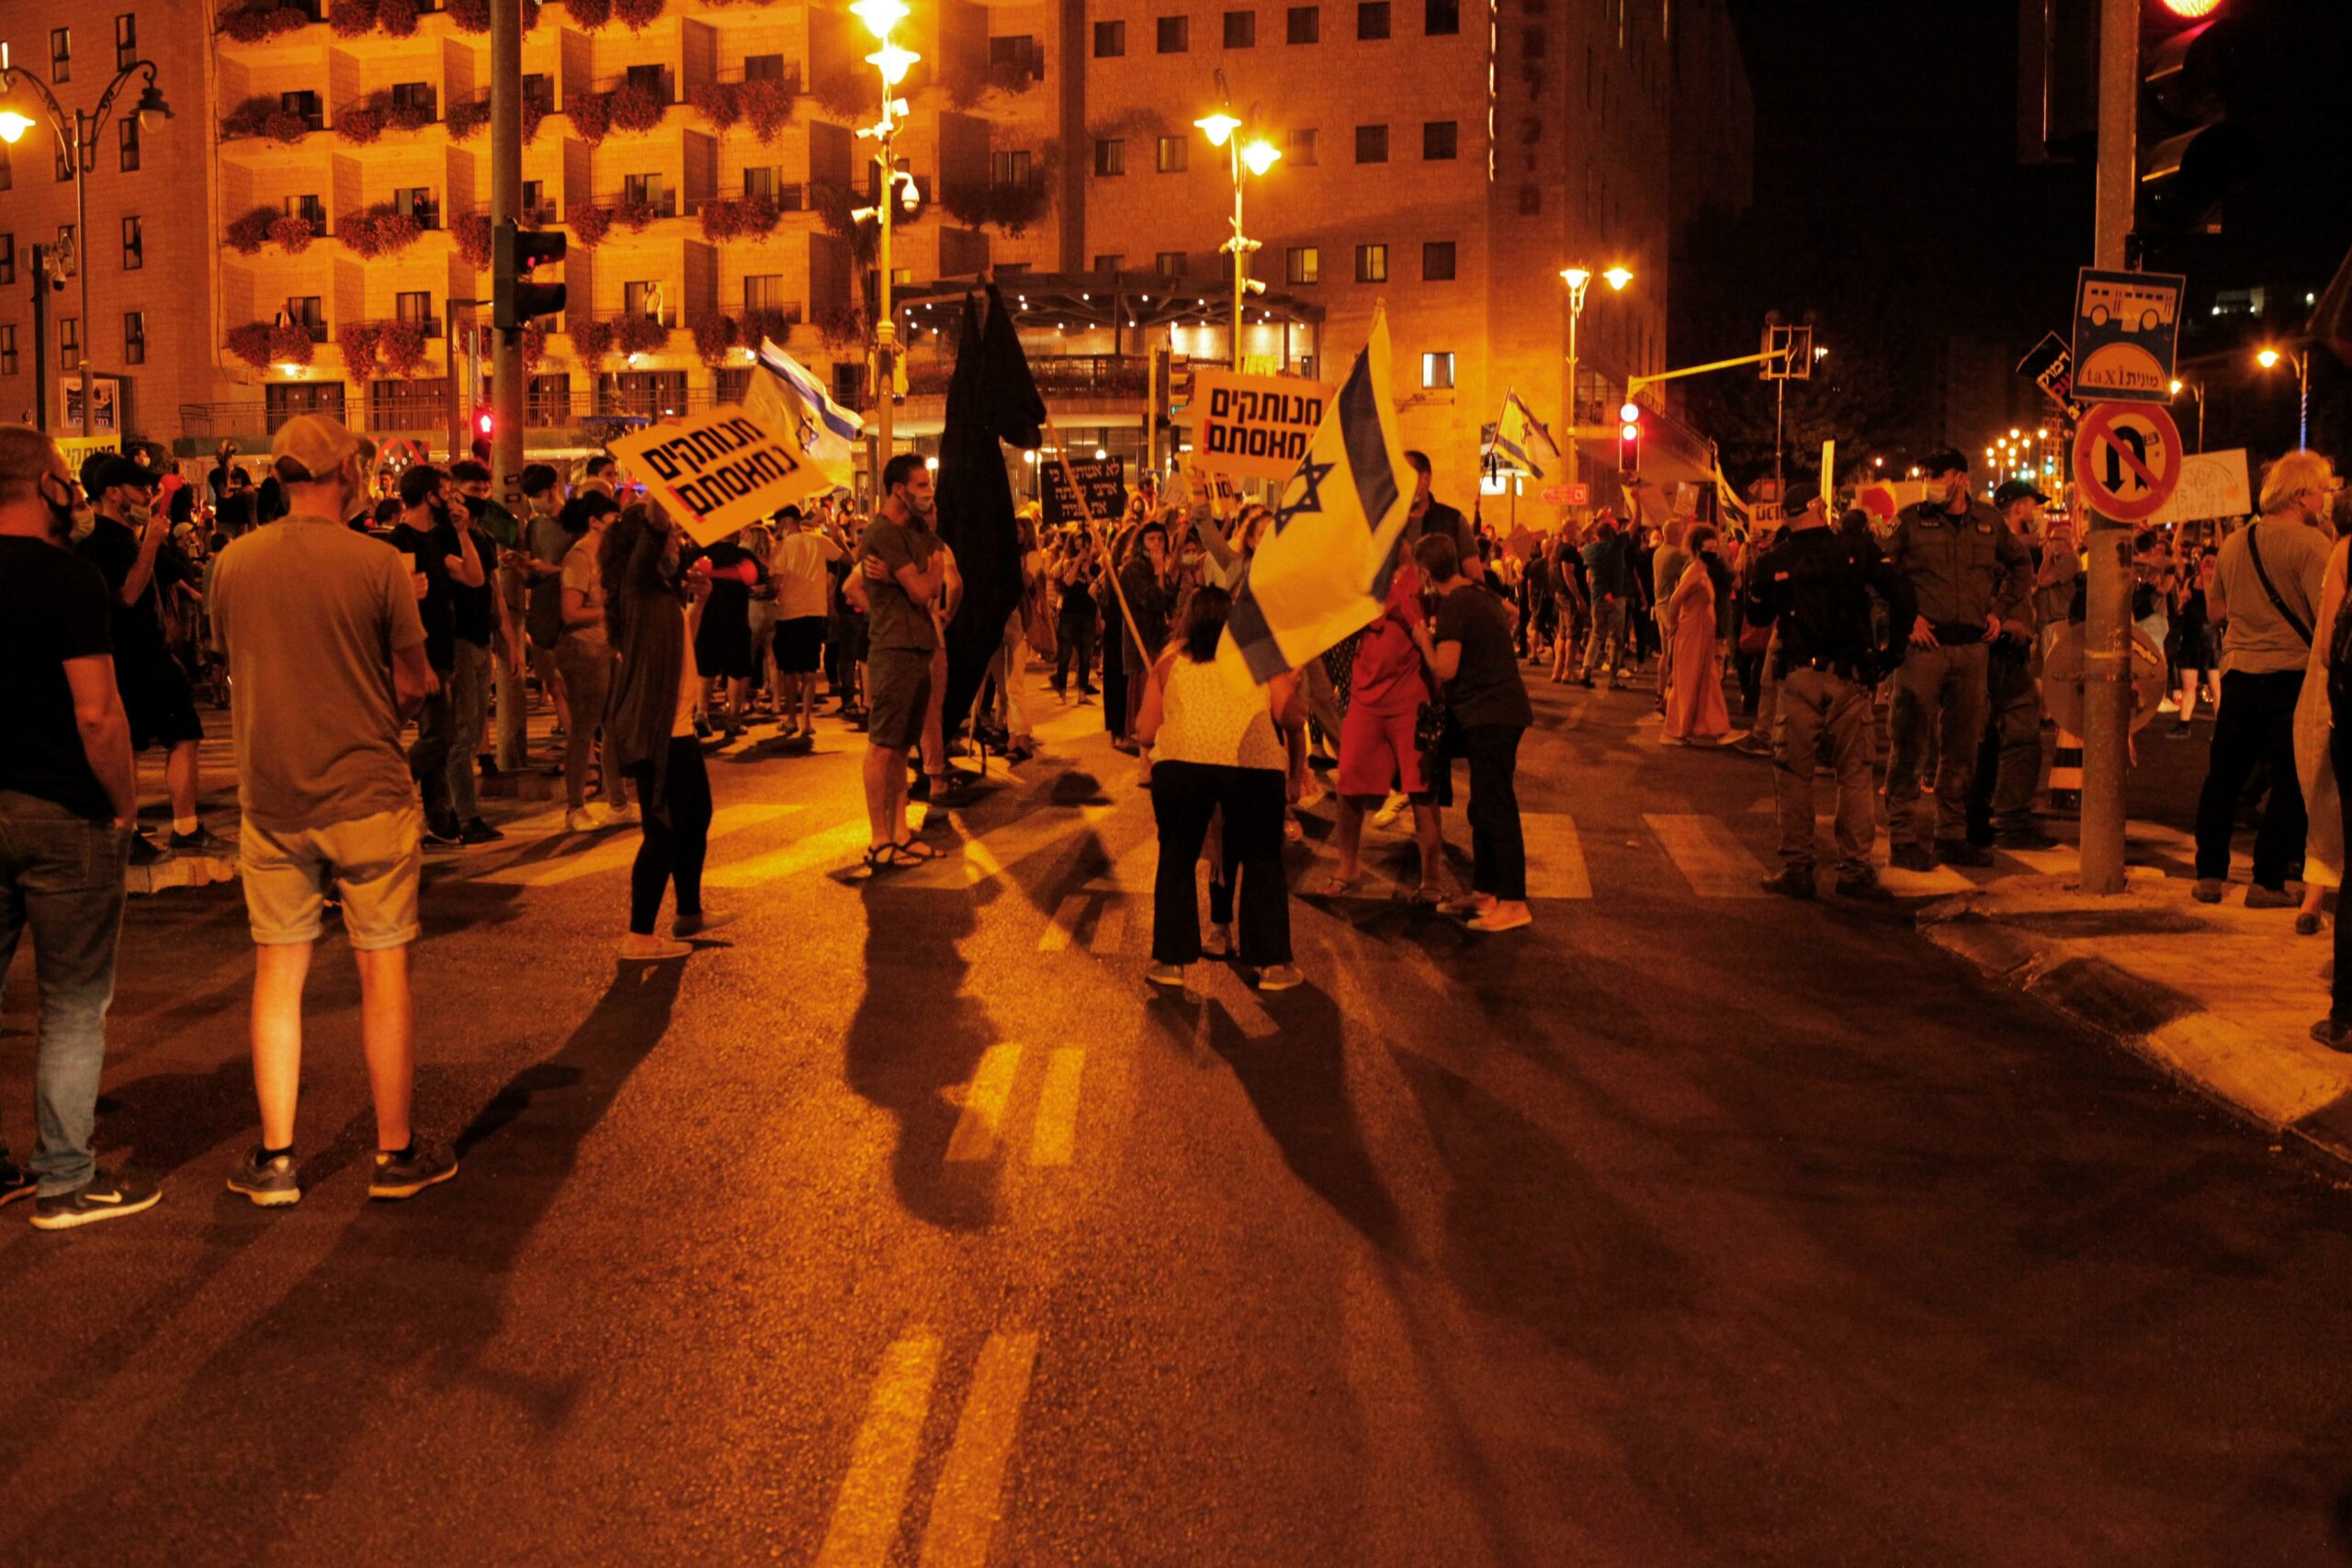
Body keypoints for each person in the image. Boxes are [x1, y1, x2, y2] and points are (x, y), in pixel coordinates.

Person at [209, 414, 457, 1205]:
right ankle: (395, 1153)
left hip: (272, 795)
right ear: (346, 475)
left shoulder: (231, 564)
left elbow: (231, 659)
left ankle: (277, 1159)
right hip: (366, 790)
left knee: (278, 972)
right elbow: (415, 681)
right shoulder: (377, 562)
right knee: (383, 968)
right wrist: (390, 703)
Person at [0, 428, 161, 1228]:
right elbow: (98, 712)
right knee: (70, 1004)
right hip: (63, 808)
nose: (73, 492)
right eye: (65, 478)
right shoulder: (68, 579)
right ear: (43, 486)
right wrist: (124, 803)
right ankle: (64, 1177)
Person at [1746, 481, 1917, 898]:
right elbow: (1902, 594)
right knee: (1855, 774)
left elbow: (1757, 614)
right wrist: (1892, 651)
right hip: (1850, 676)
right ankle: (1854, 870)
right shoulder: (1854, 549)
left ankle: (1798, 868)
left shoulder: (1775, 559)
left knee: (1793, 775)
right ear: (1821, 509)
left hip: (1799, 676)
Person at [1134, 587, 1303, 991]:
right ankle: (1272, 964)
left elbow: (1145, 731)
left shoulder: (1170, 661)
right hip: (1253, 764)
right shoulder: (1259, 655)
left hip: (1182, 762)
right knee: (1263, 860)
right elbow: (1291, 716)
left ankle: (1170, 961)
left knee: (1176, 859)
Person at [2193, 449, 2336, 908]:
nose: (2326, 499)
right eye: (2322, 490)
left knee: (2224, 777)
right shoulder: (2312, 545)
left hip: (2239, 674)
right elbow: (2326, 618)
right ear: (2301, 496)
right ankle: (2267, 880)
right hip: (2290, 678)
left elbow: (2216, 611)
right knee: (2292, 781)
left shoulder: (2236, 542)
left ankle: (2209, 874)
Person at [1882, 447, 2033, 872]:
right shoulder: (1909, 521)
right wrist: (1905, 619)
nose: (1931, 482)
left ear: (1962, 479)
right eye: (1927, 474)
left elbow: (2021, 565)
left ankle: (1950, 835)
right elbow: (1879, 571)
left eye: (1939, 475)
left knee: (1962, 748)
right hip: (1923, 650)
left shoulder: (1989, 522)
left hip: (1971, 649)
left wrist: (1999, 612)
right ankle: (1902, 837)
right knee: (1909, 741)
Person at [74, 454, 221, 863]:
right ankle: (130, 833)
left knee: (183, 735)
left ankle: (184, 827)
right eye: (139, 489)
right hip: (128, 655)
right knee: (131, 747)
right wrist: (152, 543)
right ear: (113, 493)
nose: (147, 496)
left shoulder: (126, 535)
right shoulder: (99, 540)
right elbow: (127, 594)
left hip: (151, 653)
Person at [600, 503, 727, 959]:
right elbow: (654, 524)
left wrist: (699, 603)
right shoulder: (637, 583)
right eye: (672, 534)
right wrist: (664, 490)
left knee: (696, 817)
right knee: (664, 829)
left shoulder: (657, 590)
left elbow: (679, 644)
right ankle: (639, 935)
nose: (678, 540)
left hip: (679, 726)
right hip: (657, 730)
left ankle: (689, 912)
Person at [1410, 532, 1532, 933]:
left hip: (1489, 714)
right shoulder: (1480, 592)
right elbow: (1513, 613)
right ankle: (1485, 892)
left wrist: (1424, 641)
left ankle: (1513, 901)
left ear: (1426, 573)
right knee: (1482, 805)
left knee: (1496, 807)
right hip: (1500, 709)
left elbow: (1445, 668)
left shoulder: (1455, 605)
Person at [1317, 550, 1448, 901]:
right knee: (1349, 782)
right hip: (1365, 697)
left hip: (1411, 699)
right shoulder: (1364, 575)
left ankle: (1432, 878)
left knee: (1422, 789)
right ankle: (1348, 866)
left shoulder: (1422, 575)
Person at [851, 454, 948, 868]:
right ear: (898, 490)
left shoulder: (919, 530)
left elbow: (934, 579)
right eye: (921, 485)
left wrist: (903, 578)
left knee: (902, 746)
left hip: (918, 646)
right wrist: (918, 580)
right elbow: (925, 590)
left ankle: (900, 833)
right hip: (893, 649)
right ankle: (880, 839)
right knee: (883, 746)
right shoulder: (882, 532)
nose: (929, 492)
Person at [387, 464, 487, 846]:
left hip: (443, 652)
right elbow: (404, 610)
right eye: (446, 494)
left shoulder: (437, 539)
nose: (452, 501)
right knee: (440, 737)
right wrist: (423, 665)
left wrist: (462, 532)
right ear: (429, 497)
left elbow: (474, 578)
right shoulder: (401, 542)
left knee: (438, 736)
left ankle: (439, 819)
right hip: (421, 655)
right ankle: (385, 789)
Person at [1964, 479, 2060, 852]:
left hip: (1993, 652)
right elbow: (1984, 596)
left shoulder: (1992, 544)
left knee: (1987, 739)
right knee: (2021, 738)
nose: (2036, 513)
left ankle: (1978, 816)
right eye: (2033, 505)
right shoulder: (2001, 548)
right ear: (2019, 505)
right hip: (2001, 651)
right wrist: (2008, 625)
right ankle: (2012, 819)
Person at [556, 491, 633, 831]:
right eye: (614, 518)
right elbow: (571, 613)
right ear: (595, 522)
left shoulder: (609, 555)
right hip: (584, 650)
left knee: (614, 725)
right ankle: (575, 808)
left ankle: (619, 802)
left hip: (609, 647)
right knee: (585, 730)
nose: (619, 524)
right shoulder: (579, 557)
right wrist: (611, 609)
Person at [769, 504, 843, 745]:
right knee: (809, 671)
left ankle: (791, 719)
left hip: (789, 614)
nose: (777, 528)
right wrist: (837, 537)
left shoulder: (782, 547)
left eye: (778, 523)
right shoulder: (818, 541)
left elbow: (775, 584)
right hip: (814, 612)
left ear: (787, 521)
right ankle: (807, 721)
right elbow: (846, 558)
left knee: (789, 671)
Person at [1662, 525, 1736, 744]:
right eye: (1708, 549)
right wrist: (1672, 624)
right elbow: (1675, 599)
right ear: (1696, 549)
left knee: (1707, 680)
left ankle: (1716, 728)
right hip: (1691, 633)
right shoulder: (1694, 571)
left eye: (1715, 548)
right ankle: (1674, 731)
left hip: (1702, 633)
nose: (1713, 552)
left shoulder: (1703, 571)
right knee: (1687, 681)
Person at [1400, 450, 1486, 583]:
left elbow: (1476, 580)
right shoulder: (1387, 524)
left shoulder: (1452, 520)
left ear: (1425, 479)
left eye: (1405, 477)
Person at [1579, 517, 1636, 689]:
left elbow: (1583, 533)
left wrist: (1595, 519)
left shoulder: (1589, 550)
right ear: (1611, 534)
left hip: (1598, 597)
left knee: (1597, 635)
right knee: (1615, 639)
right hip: (1616, 597)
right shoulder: (1616, 546)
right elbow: (1635, 523)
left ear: (1596, 535)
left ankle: (1586, 671)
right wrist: (1637, 504)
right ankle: (1613, 678)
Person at [2172, 547, 2221, 734]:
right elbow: (2181, 609)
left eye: (2213, 562)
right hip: (2190, 636)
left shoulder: (2218, 584)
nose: (2209, 565)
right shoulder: (2190, 581)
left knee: (2216, 686)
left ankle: (2221, 728)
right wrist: (2183, 600)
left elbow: (2212, 610)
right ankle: (2184, 724)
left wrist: (2208, 583)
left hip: (2210, 639)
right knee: (2189, 685)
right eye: (2207, 561)